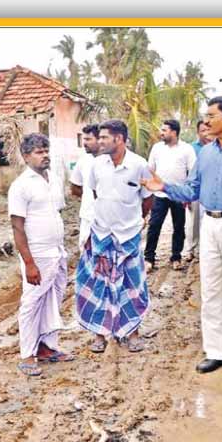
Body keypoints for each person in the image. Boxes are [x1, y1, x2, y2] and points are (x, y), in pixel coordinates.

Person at [142, 96, 222, 378]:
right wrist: (163, 186)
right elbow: (192, 190)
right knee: (212, 290)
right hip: (210, 222)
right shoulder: (205, 153)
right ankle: (217, 351)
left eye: (211, 116)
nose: (206, 121)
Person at [77, 119, 153, 354]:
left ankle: (132, 333)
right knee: (99, 285)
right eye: (98, 138)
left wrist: (135, 222)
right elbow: (93, 194)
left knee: (131, 285)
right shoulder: (97, 165)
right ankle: (100, 335)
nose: (99, 142)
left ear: (118, 139)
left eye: (104, 138)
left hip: (128, 236)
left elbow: (147, 198)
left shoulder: (139, 165)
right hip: (101, 234)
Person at [8, 133, 74, 377]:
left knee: (53, 300)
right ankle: (27, 355)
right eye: (38, 152)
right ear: (26, 157)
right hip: (37, 254)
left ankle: (47, 348)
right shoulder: (20, 186)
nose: (45, 155)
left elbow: (55, 213)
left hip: (57, 251)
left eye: (46, 150)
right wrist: (29, 263)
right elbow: (17, 227)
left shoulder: (53, 179)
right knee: (32, 303)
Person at [144, 120, 197, 272]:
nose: (161, 133)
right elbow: (150, 169)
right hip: (159, 194)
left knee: (179, 227)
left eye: (164, 130)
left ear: (174, 132)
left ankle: (176, 257)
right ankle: (149, 258)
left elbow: (192, 172)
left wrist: (187, 195)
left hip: (178, 194)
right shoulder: (157, 148)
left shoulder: (187, 149)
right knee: (154, 226)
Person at [184, 120, 211, 261]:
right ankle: (191, 249)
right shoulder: (192, 148)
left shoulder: (217, 147)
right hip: (196, 190)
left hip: (211, 191)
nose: (206, 133)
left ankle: (205, 249)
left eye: (208, 130)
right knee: (193, 221)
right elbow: (188, 172)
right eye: (203, 131)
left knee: (208, 220)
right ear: (198, 132)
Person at [69, 124, 100, 249]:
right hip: (88, 216)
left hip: (109, 219)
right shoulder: (83, 160)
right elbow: (75, 187)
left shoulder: (110, 160)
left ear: (99, 139)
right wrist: (89, 197)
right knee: (86, 254)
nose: (84, 143)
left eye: (88, 139)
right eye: (83, 139)